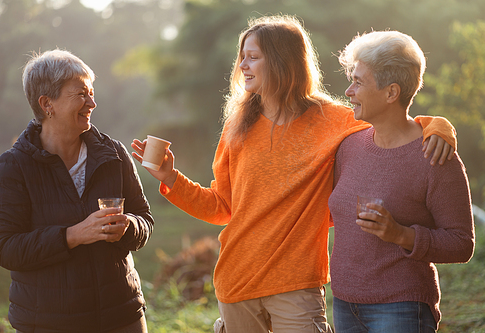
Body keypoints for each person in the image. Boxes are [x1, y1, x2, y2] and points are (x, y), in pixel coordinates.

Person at [131, 16, 455, 333]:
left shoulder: (334, 120)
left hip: (296, 284)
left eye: (253, 57)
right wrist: (170, 177)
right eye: (241, 57)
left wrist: (438, 126)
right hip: (236, 279)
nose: (242, 65)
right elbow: (221, 206)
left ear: (284, 63)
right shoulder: (236, 127)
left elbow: (396, 120)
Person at [0, 49, 154, 332]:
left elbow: (145, 220)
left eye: (91, 93)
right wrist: (72, 236)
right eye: (81, 94)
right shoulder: (13, 166)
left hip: (122, 317)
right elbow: (6, 248)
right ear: (47, 103)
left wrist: (128, 227)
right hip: (48, 323)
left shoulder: (114, 154)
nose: (92, 103)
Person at [328, 30, 475, 332]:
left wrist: (401, 235)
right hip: (344, 304)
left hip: (401, 307)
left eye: (358, 82)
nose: (348, 91)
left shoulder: (435, 155)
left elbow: (462, 244)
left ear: (391, 93)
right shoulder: (348, 145)